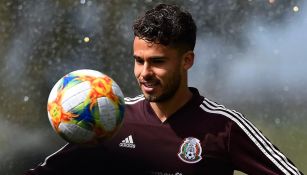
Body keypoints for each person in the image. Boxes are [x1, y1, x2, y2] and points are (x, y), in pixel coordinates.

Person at [24, 3, 303, 175]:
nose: (144, 73)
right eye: (138, 60)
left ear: (187, 61)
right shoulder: (109, 120)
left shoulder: (224, 127)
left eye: (157, 62)